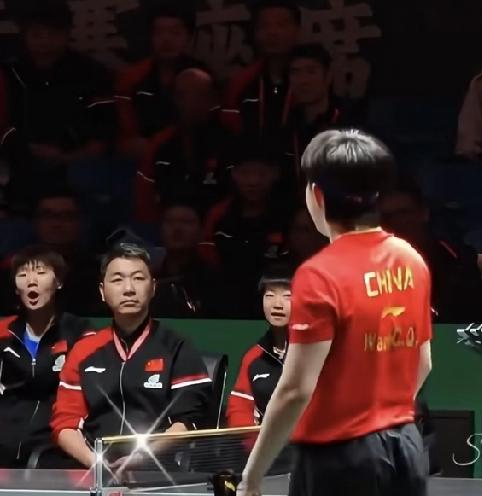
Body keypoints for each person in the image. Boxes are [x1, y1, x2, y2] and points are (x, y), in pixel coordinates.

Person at [238, 129, 432, 496]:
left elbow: (295, 390)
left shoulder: (319, 274)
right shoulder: (410, 259)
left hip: (339, 457)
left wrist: (253, 475)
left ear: (317, 196)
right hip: (406, 446)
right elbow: (423, 364)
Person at [51, 242, 212, 468]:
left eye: (138, 278)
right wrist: (95, 463)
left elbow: (188, 421)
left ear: (153, 287)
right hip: (92, 469)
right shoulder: (84, 350)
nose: (128, 289)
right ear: (102, 291)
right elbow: (65, 423)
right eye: (117, 280)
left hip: (156, 470)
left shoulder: (177, 347)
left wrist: (142, 457)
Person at [0, 0, 114, 208]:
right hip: (18, 163)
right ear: (24, 34)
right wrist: (22, 147)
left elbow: (104, 133)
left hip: (77, 166)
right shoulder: (9, 73)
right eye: (36, 34)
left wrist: (67, 157)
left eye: (52, 34)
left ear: (67, 33)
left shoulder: (93, 74)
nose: (44, 42)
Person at [0, 246, 91, 468]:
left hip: (54, 449)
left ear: (58, 282)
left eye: (41, 273)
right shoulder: (3, 333)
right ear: (16, 288)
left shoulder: (79, 333)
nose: (31, 281)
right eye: (23, 275)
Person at [203, 143, 291, 318]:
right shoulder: (218, 215)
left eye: (261, 174)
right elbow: (206, 258)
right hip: (224, 304)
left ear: (275, 174)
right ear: (234, 174)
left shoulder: (288, 216)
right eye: (245, 174)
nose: (253, 181)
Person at [134, 68, 229, 222]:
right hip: (170, 226)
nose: (192, 102)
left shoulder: (228, 141)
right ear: (174, 99)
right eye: (182, 95)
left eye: (200, 95)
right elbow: (145, 199)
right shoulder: (160, 143)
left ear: (214, 99)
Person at [379, 184, 482, 323]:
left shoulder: (460, 260)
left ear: (423, 213)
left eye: (404, 213)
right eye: (388, 217)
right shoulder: (372, 269)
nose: (397, 222)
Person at [116, 4, 204, 159]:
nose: (166, 40)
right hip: (144, 155)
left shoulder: (201, 77)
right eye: (159, 33)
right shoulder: (131, 78)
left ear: (189, 37)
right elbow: (125, 134)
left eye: (175, 33)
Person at [221, 0, 300, 141]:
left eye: (281, 25)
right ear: (255, 33)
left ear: (297, 31)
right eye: (264, 26)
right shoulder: (240, 83)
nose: (273, 32)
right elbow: (230, 133)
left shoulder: (312, 80)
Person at [227, 264, 292, 428]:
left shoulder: (316, 351)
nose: (277, 304)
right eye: (269, 295)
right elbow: (239, 408)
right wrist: (253, 441)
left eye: (287, 296)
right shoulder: (253, 356)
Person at [150, 199, 226, 318]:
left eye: (186, 222)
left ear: (201, 231)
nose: (177, 228)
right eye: (170, 222)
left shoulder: (218, 284)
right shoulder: (148, 282)